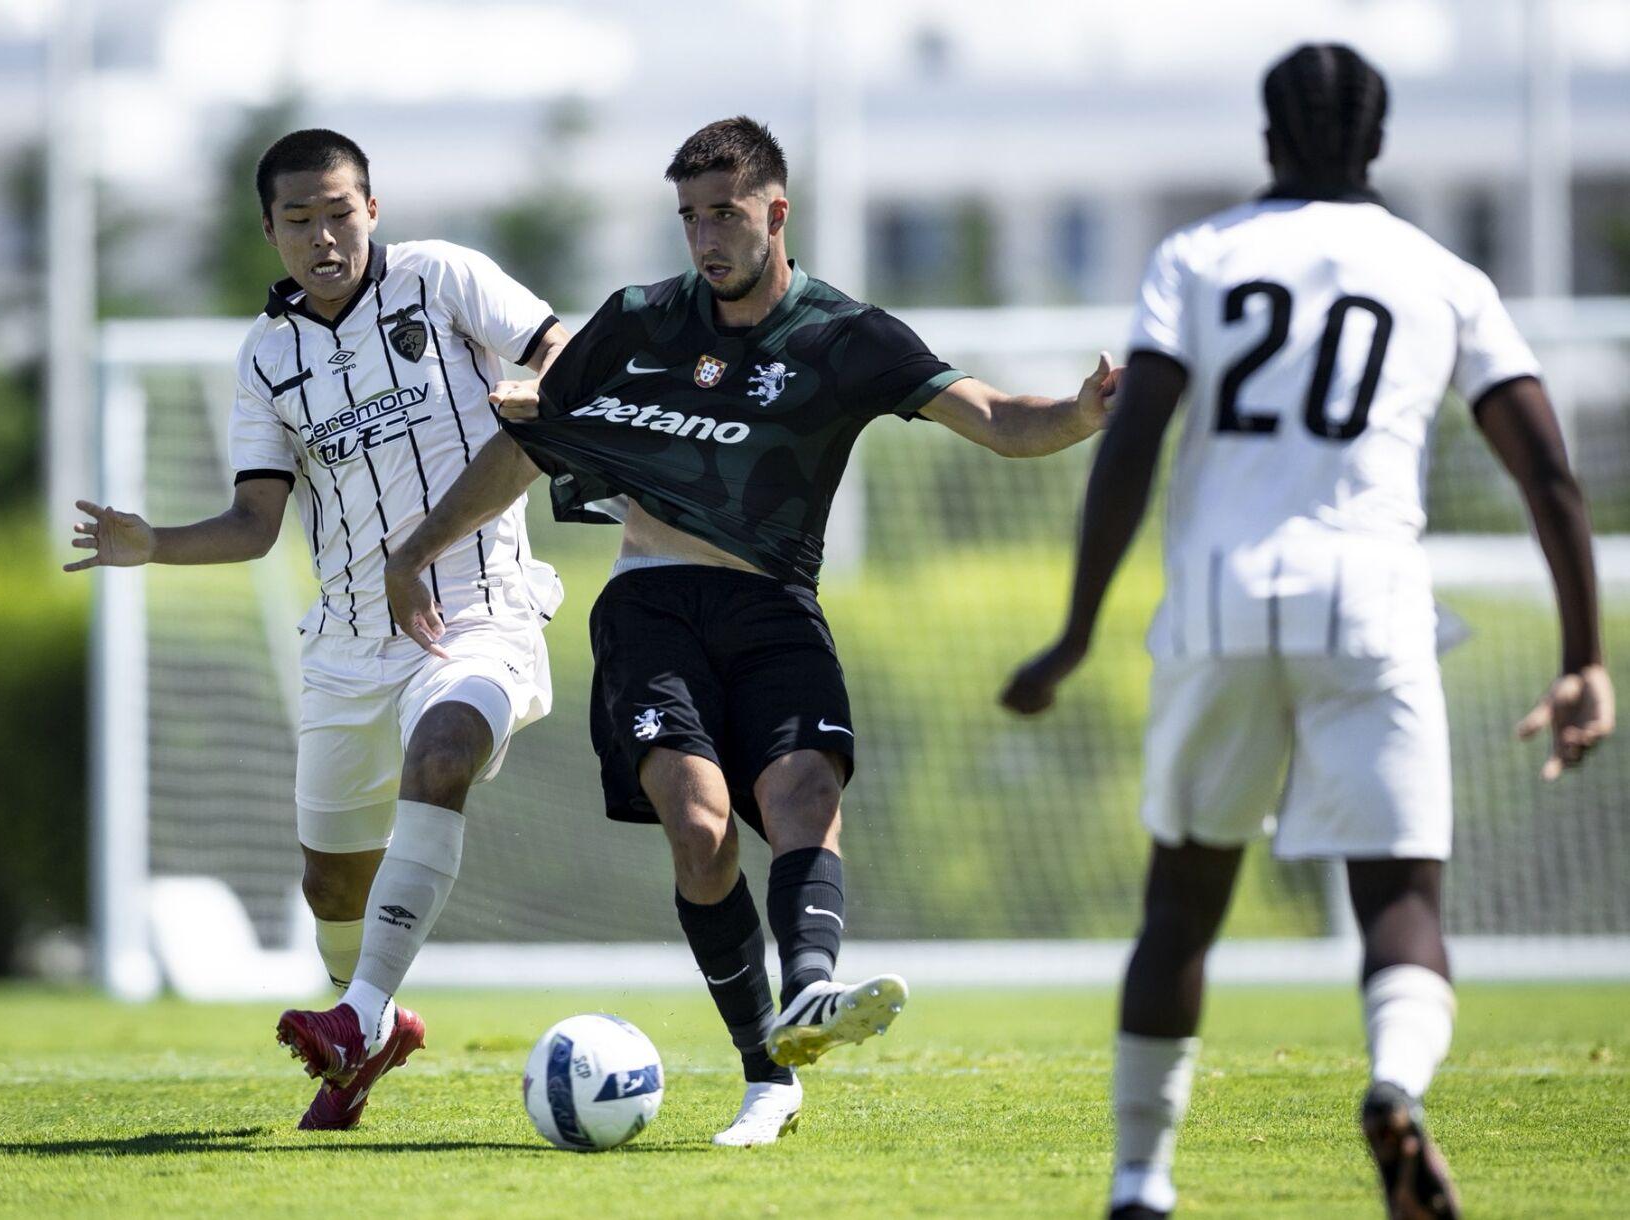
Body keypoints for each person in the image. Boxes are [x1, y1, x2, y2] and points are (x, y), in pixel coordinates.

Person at [381, 117, 1117, 1145]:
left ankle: (809, 993)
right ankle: (764, 1072)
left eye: (724, 212)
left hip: (773, 605)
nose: (705, 236)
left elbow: (995, 416)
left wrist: (1081, 413)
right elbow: (531, 445)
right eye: (689, 217)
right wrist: (414, 546)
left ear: (776, 210)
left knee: (804, 791)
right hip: (651, 604)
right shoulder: (636, 320)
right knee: (701, 825)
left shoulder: (844, 337)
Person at [1002, 45, 1614, 1220]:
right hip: (1371, 604)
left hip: (1219, 604)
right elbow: (1548, 473)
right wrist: (1581, 655)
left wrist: (1075, 630)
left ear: (1266, 137)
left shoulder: (1197, 257)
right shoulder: (1442, 275)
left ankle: (1138, 1180)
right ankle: (1392, 1085)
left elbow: (1130, 438)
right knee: (1402, 904)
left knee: (1179, 905)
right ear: (1376, 144)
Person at [66, 128, 571, 1130]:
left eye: (340, 211)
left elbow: (560, 345)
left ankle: (356, 1014)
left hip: (478, 611)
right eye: (299, 219)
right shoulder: (266, 356)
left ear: (371, 210)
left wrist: (546, 388)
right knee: (329, 880)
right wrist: (148, 541)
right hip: (344, 645)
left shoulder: (441, 279)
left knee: (442, 751)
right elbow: (256, 525)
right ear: (270, 229)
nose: (323, 235)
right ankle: (369, 1023)